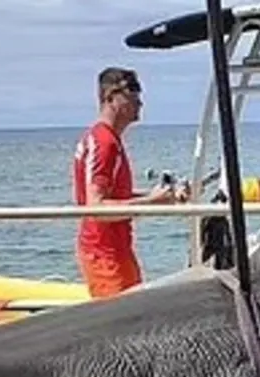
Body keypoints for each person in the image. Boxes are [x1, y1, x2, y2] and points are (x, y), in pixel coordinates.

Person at [71, 66, 188, 298]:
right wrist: (152, 201)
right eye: (131, 93)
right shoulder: (104, 143)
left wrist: (158, 197)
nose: (139, 102)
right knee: (121, 314)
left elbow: (114, 197)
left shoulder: (108, 140)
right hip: (105, 254)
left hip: (116, 249)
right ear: (111, 98)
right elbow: (96, 207)